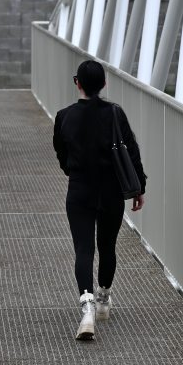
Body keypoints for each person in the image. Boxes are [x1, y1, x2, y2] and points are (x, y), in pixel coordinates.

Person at [53, 60, 146, 340]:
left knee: (84, 250)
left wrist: (73, 171)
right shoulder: (115, 113)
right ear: (104, 84)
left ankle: (87, 308)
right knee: (107, 247)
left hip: (80, 189)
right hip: (111, 191)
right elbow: (131, 151)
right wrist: (139, 187)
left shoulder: (64, 116)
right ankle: (104, 298)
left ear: (77, 83)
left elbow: (61, 153)